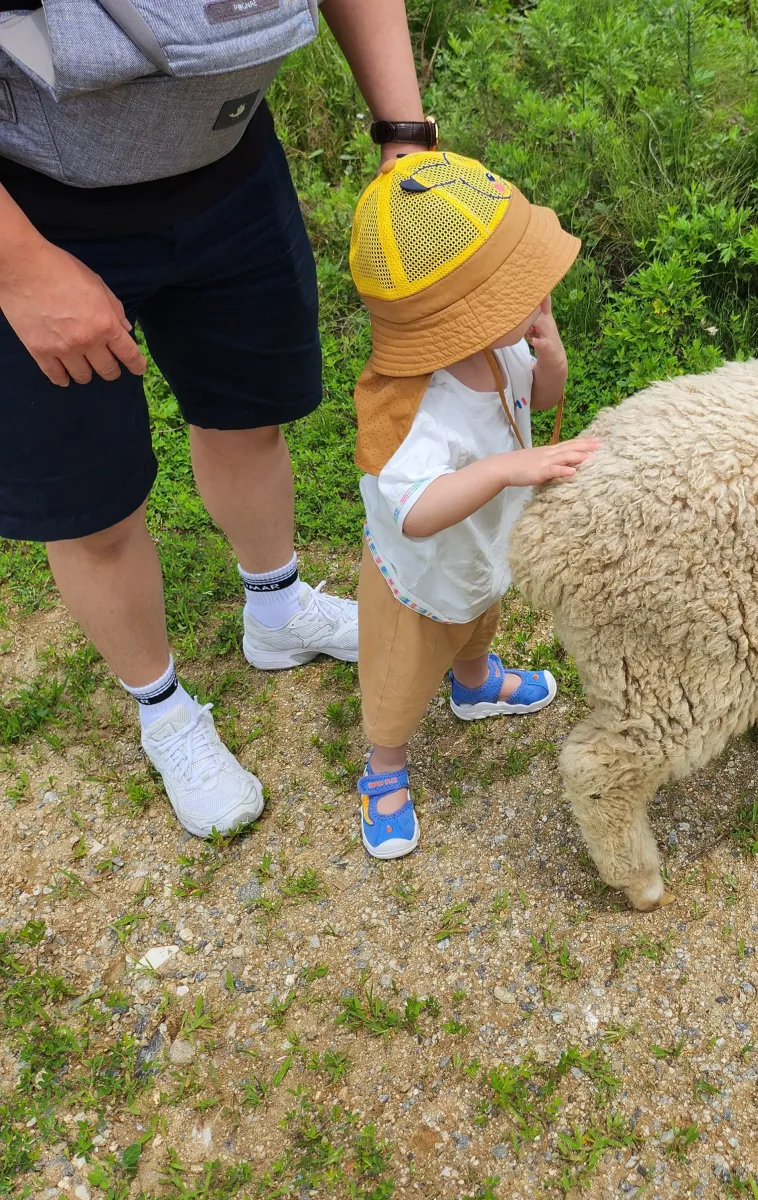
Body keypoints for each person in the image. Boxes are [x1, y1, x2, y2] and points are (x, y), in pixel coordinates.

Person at [0, 1, 431, 838]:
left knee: (248, 418)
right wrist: (19, 270)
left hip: (231, 170)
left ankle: (277, 609)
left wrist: (405, 132)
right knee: (91, 502)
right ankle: (162, 709)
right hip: (37, 213)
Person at [347, 150, 599, 858]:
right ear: (457, 319)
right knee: (400, 677)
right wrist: (506, 468)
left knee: (481, 618)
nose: (540, 295)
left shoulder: (499, 348)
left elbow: (538, 401)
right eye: (520, 290)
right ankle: (385, 765)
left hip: (482, 551)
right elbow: (415, 512)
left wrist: (550, 359)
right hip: (422, 579)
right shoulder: (417, 409)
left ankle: (475, 683)